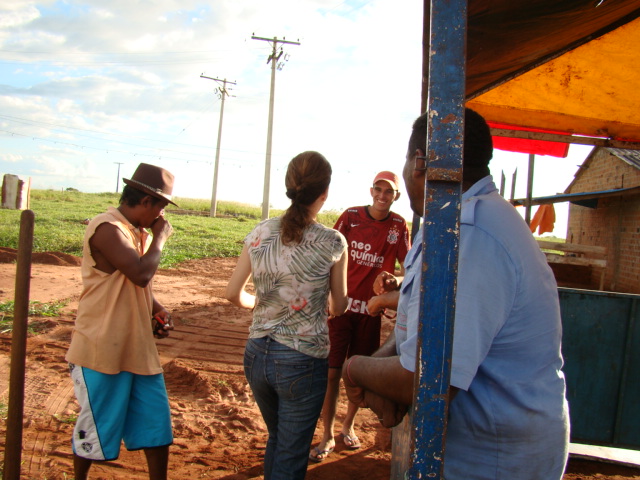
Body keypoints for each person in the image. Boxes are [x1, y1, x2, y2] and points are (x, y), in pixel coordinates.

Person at [342, 108, 570, 479]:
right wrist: (382, 361)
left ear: (420, 163)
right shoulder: (451, 223)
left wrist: (355, 369)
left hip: (496, 461)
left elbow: (428, 380)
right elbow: (417, 321)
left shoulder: (472, 235)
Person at [225, 151, 348, 480]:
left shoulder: (260, 232)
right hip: (302, 360)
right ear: (324, 193)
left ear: (290, 186)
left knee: (278, 439)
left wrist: (261, 304)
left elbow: (232, 293)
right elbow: (339, 306)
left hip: (256, 355)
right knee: (291, 453)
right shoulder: (333, 241)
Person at [65, 163, 177, 480]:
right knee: (95, 426)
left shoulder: (134, 232)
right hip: (101, 349)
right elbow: (140, 274)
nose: (161, 217)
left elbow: (130, 284)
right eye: (161, 207)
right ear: (146, 201)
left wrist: (156, 308)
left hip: (136, 348)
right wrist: (160, 239)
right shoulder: (107, 228)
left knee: (156, 426)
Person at [310, 171, 410, 462]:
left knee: (357, 374)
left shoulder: (398, 225)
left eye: (388, 191)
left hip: (370, 312)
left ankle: (348, 426)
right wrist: (327, 295)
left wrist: (393, 281)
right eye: (378, 189)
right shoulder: (351, 216)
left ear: (396, 196)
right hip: (340, 309)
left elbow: (408, 268)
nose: (382, 195)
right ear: (371, 190)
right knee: (332, 373)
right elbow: (328, 254)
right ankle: (327, 434)